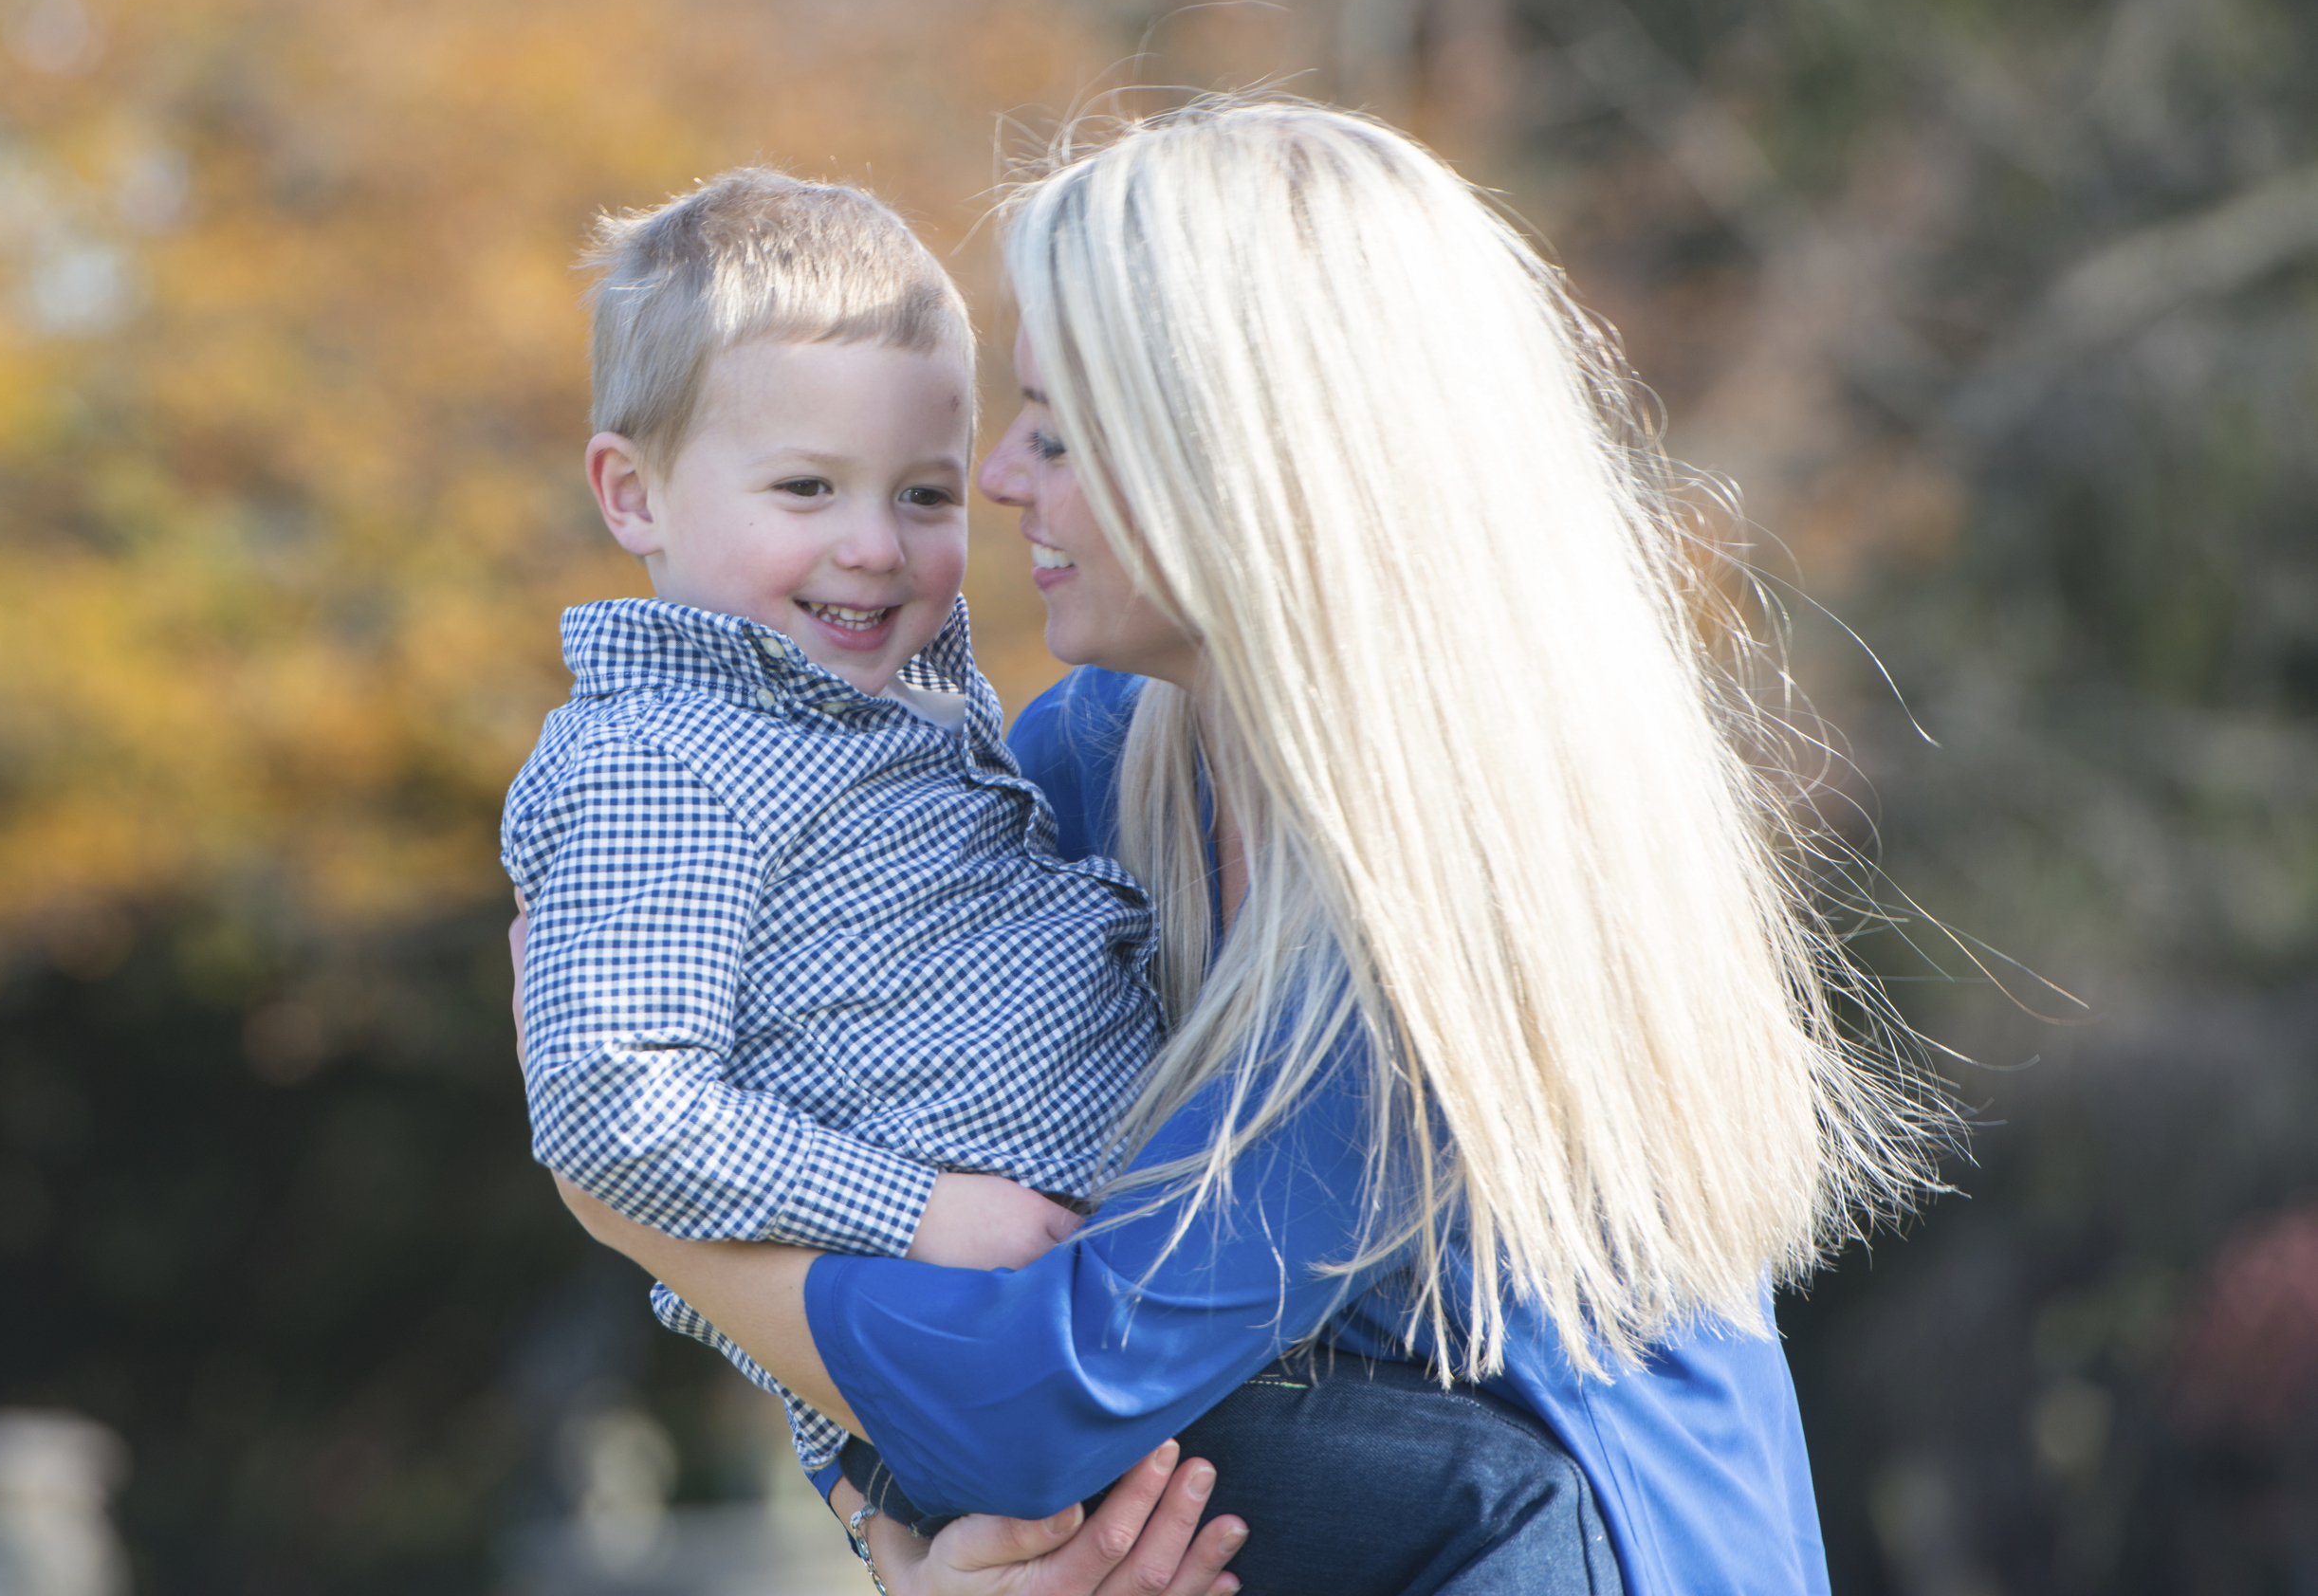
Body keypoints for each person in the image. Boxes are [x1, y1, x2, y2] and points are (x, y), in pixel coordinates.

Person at [550, 102, 1955, 1595]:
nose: (1002, 478)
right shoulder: (1092, 757)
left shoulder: (1429, 907)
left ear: (1246, 468)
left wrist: (630, 1214)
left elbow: (1045, 1394)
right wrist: (908, 1549)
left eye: (1061, 430)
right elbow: (885, 1191)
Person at [506, 168, 1234, 1582]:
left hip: (1091, 1316)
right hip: (981, 1343)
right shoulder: (663, 760)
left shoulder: (913, 707)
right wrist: (921, 1218)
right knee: (1475, 1488)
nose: (874, 546)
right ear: (633, 493)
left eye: (924, 493)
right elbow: (611, 1101)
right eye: (805, 489)